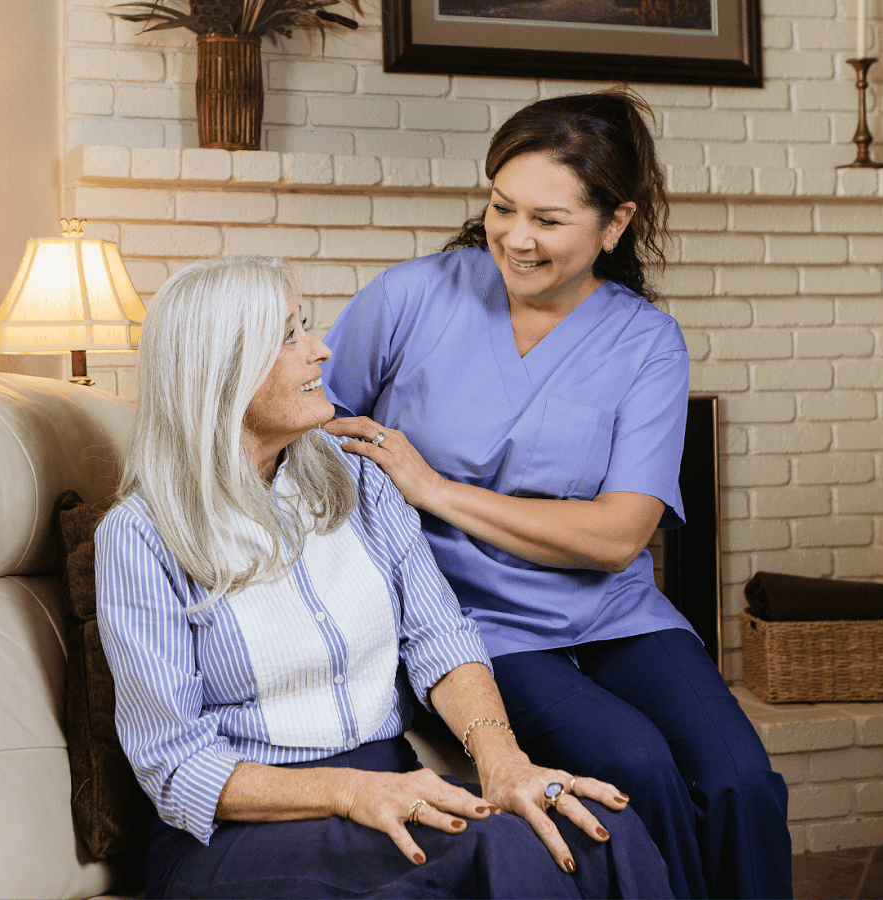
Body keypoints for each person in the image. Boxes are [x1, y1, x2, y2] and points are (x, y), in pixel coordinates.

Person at [321, 88, 793, 900]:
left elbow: (618, 536)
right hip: (472, 623)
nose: (515, 236)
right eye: (503, 207)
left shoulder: (645, 340)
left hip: (614, 612)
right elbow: (318, 428)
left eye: (548, 219)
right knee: (633, 765)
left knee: (742, 779)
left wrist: (432, 488)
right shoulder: (409, 298)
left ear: (615, 225)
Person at [93, 255, 675, 899]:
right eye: (288, 337)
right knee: (510, 851)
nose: (320, 350)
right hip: (240, 832)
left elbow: (441, 640)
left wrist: (505, 763)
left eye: (306, 325)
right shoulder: (140, 536)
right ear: (220, 372)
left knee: (598, 829)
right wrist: (350, 791)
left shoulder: (363, 481)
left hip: (391, 787)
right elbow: (174, 767)